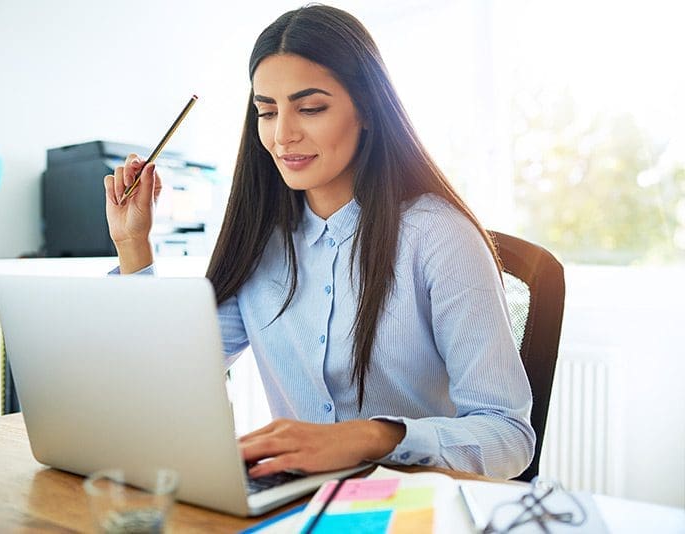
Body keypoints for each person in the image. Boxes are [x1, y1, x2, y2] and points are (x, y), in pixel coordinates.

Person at [104, 4, 534, 480]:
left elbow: (507, 436)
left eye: (310, 108)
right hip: (294, 502)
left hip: (409, 505)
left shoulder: (439, 237)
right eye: (267, 112)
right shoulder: (260, 242)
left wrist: (370, 438)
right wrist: (132, 244)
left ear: (367, 110)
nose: (282, 135)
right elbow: (165, 376)